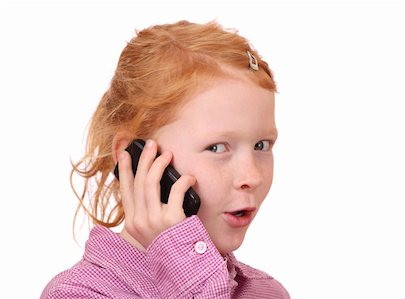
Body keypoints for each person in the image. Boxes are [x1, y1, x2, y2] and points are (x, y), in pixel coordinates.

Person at [41, 20, 290, 299]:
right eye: (217, 148)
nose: (252, 176)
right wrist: (185, 268)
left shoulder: (266, 292)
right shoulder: (76, 293)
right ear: (134, 159)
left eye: (261, 145)